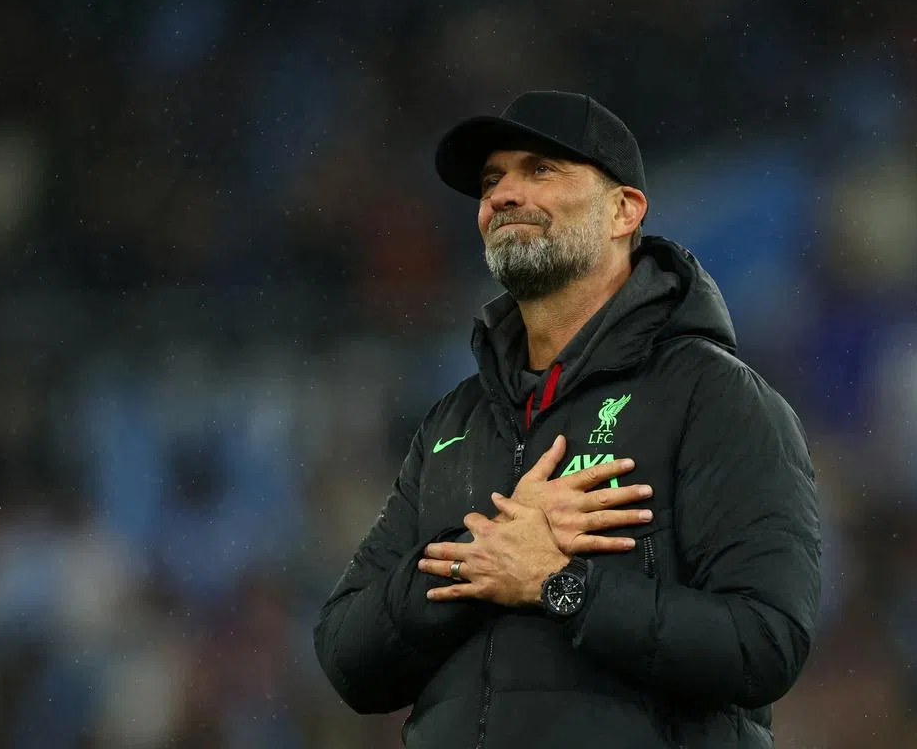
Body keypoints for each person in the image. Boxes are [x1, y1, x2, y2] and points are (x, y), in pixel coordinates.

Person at [312, 90, 822, 748]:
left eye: (539, 170)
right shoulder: (451, 423)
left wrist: (559, 585)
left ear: (623, 210)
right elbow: (346, 658)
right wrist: (479, 561)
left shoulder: (715, 397)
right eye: (492, 180)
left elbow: (766, 644)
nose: (502, 195)